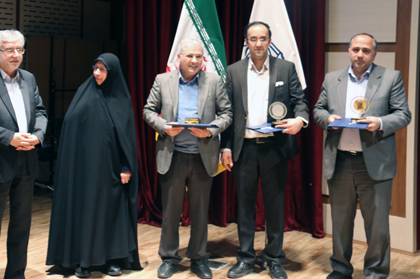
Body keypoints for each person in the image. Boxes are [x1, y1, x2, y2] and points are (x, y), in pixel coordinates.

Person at [313, 33, 411, 279]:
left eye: (366, 51)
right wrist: (328, 119)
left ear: (374, 54)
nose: (360, 55)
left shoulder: (390, 77)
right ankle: (340, 269)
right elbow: (318, 110)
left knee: (377, 225)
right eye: (356, 49)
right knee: (340, 221)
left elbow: (403, 114)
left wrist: (379, 122)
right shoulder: (332, 78)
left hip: (375, 163)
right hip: (340, 161)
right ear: (349, 51)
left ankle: (376, 272)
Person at [221, 22, 309, 279]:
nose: (258, 43)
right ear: (246, 42)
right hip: (244, 149)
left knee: (274, 205)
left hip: (274, 148)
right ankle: (246, 259)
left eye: (262, 38)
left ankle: (274, 259)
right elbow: (227, 112)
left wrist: (300, 120)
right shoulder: (234, 71)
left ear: (270, 41)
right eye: (253, 39)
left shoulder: (286, 68)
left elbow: (300, 102)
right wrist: (225, 147)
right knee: (245, 206)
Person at [143, 39, 232, 279]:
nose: (194, 61)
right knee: (171, 212)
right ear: (179, 58)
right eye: (190, 56)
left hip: (203, 157)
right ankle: (169, 258)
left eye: (198, 57)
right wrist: (163, 126)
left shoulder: (214, 81)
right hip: (173, 156)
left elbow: (227, 114)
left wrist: (211, 130)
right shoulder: (163, 80)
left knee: (200, 212)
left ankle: (198, 258)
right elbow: (148, 110)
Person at [46, 53, 141, 278]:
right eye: (95, 68)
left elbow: (127, 137)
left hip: (112, 171)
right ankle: (84, 261)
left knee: (110, 214)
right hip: (85, 169)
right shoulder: (84, 93)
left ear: (112, 72)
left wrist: (126, 166)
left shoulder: (121, 98)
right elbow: (71, 125)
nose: (97, 73)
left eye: (102, 69)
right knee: (87, 212)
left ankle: (111, 260)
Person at [0, 30, 48, 279]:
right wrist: (9, 138)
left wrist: (37, 136)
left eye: (19, 49)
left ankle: (16, 274)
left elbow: (41, 111)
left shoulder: (29, 78)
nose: (16, 55)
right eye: (9, 50)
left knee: (21, 224)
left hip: (26, 160)